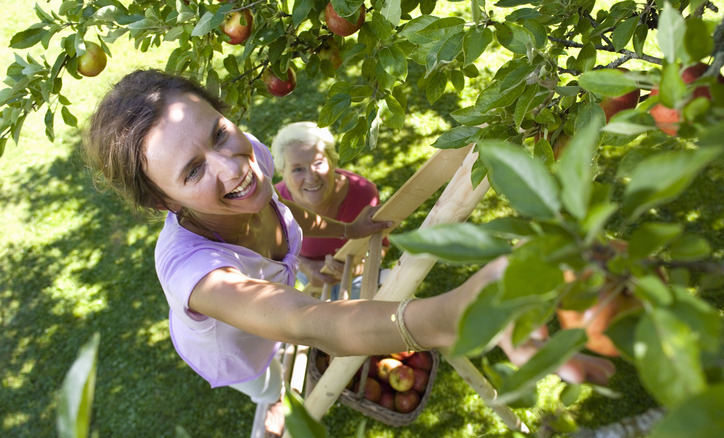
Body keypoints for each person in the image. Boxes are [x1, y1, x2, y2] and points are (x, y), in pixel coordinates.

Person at [81, 69, 509, 438]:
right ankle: (271, 400)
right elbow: (310, 323)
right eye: (193, 170)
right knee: (267, 382)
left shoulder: (252, 160)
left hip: (271, 304)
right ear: (163, 202)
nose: (233, 167)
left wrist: (348, 229)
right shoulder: (197, 274)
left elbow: (287, 214)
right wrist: (456, 314)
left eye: (219, 132)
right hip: (235, 347)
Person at [271, 122, 389, 299]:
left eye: (318, 163)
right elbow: (275, 248)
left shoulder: (364, 194)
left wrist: (358, 268)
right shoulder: (276, 202)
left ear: (332, 161)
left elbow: (381, 244)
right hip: (307, 271)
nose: (311, 177)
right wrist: (305, 267)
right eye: (297, 169)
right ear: (283, 172)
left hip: (357, 276)